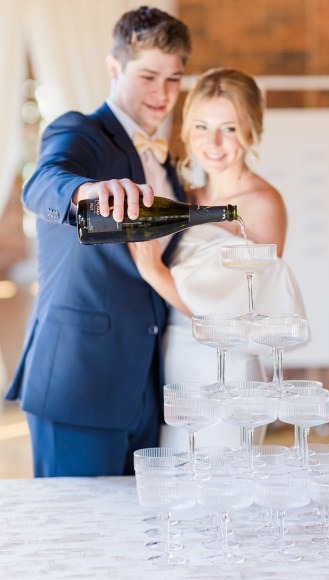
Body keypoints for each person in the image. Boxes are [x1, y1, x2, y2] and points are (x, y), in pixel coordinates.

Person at [4, 7, 192, 476]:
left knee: (136, 538)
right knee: (75, 538)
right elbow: (43, 182)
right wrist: (87, 191)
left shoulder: (167, 166)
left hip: (146, 387)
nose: (162, 94)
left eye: (174, 79)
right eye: (148, 75)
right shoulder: (80, 131)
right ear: (114, 67)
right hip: (78, 380)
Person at [130, 68, 306, 449]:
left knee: (223, 485)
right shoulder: (185, 197)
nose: (213, 142)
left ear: (251, 130)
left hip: (229, 370)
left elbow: (238, 316)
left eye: (228, 128)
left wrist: (153, 272)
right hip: (174, 360)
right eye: (201, 127)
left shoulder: (262, 203)